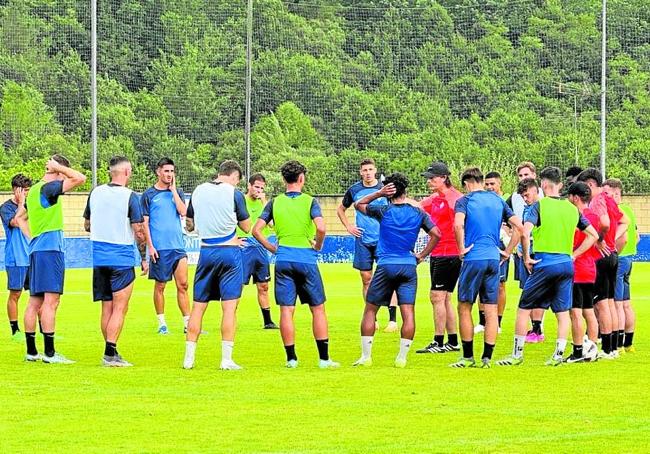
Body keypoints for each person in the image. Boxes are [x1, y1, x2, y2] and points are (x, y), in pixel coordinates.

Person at [497, 167, 598, 367]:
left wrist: (526, 257)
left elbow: (525, 233)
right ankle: (558, 355)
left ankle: (516, 355)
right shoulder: (572, 208)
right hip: (566, 265)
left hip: (545, 263)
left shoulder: (539, 206)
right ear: (559, 184)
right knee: (562, 312)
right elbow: (593, 235)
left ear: (543, 184)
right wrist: (573, 255)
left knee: (524, 308)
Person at [253, 160, 339, 369]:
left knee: (286, 310)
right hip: (306, 260)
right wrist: (317, 246)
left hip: (283, 260)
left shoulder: (274, 202)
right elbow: (321, 228)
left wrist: (273, 248)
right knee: (317, 309)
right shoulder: (310, 201)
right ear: (301, 178)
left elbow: (256, 230)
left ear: (284, 179)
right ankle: (324, 359)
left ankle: (291, 359)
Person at [353, 173, 441, 368]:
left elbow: (358, 204)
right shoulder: (418, 213)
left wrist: (378, 193)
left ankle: (366, 357)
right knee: (408, 311)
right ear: (406, 190)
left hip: (386, 264)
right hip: (408, 265)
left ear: (388, 191)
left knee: (370, 309)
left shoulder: (383, 210)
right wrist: (421, 256)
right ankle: (401, 358)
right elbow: (436, 234)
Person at [449, 167, 522, 369]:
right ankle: (487, 358)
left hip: (473, 258)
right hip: (493, 258)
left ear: (466, 183)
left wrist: (461, 248)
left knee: (464, 306)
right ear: (482, 181)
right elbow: (520, 227)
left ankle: (467, 357)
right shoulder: (497, 200)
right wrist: (507, 251)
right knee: (490, 310)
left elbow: (457, 225)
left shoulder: (464, 201)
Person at [183, 160, 250, 370]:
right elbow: (246, 227)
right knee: (229, 308)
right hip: (229, 253)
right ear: (233, 176)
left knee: (198, 306)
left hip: (206, 251)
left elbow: (189, 224)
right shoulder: (234, 193)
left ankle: (189, 359)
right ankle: (226, 359)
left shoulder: (198, 190)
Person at [83, 156, 148, 366]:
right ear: (127, 172)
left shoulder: (95, 192)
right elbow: (139, 231)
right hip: (120, 258)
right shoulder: (130, 197)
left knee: (106, 308)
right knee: (120, 308)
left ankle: (110, 349)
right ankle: (110, 354)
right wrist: (144, 256)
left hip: (99, 258)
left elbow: (87, 225)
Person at [23, 155, 86, 363]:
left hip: (36, 250)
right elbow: (80, 178)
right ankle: (50, 353)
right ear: (57, 171)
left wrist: (32, 237)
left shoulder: (32, 191)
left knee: (34, 302)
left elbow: (19, 218)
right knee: (51, 301)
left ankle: (32, 351)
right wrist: (60, 168)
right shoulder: (48, 189)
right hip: (50, 250)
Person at [337, 158, 398, 333]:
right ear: (360, 172)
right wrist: (349, 226)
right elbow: (341, 209)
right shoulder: (354, 190)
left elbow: (396, 208)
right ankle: (373, 318)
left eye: (370, 169)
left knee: (389, 277)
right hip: (363, 240)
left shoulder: (385, 189)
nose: (368, 173)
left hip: (384, 240)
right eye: (364, 170)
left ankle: (392, 319)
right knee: (366, 278)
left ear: (376, 171)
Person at [577, 168, 628, 358]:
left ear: (591, 184)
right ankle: (613, 348)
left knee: (601, 305)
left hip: (601, 256)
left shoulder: (598, 200)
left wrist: (600, 239)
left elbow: (605, 223)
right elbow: (626, 221)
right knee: (610, 302)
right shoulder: (609, 199)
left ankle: (606, 349)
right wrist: (612, 239)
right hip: (613, 254)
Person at [416, 162, 462, 354]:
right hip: (438, 253)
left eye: (432, 177)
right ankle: (452, 341)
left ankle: (438, 342)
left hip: (449, 253)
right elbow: (417, 207)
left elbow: (461, 224)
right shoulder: (435, 198)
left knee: (437, 296)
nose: (429, 181)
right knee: (445, 298)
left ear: (444, 178)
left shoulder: (455, 199)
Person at [141, 157, 190, 335]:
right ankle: (162, 323)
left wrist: (174, 190)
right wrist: (150, 247)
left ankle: (187, 323)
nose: (169, 174)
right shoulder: (148, 195)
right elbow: (144, 224)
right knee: (160, 286)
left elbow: (183, 212)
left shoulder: (178, 192)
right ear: (158, 172)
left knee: (183, 285)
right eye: (166, 171)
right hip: (160, 248)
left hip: (178, 247)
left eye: (172, 171)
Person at [507, 162, 546, 342]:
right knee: (527, 288)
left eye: (526, 175)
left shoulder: (544, 199)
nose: (524, 178)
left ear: (534, 175)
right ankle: (536, 328)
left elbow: (524, 230)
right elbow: (515, 225)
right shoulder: (516, 198)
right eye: (521, 175)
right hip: (523, 248)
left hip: (537, 248)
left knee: (536, 291)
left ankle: (537, 328)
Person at [236, 173, 278, 329]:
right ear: (249, 186)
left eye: (261, 188)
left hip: (260, 248)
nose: (259, 190)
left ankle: (268, 321)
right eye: (256, 187)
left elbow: (273, 225)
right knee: (238, 285)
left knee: (264, 286)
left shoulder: (265, 204)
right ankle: (231, 317)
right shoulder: (240, 201)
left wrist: (264, 202)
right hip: (244, 247)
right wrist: (234, 240)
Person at [565, 182, 601, 363]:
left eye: (569, 197)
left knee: (575, 312)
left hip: (578, 269)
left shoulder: (576, 217)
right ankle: (592, 348)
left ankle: (578, 351)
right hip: (590, 268)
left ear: (575, 198)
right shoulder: (595, 216)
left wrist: (574, 254)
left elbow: (582, 238)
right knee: (589, 311)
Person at [603, 178, 638, 353]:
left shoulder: (616, 211)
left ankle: (617, 344)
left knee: (616, 304)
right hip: (630, 259)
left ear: (617, 193)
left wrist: (612, 252)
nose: (604, 196)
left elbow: (621, 237)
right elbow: (636, 237)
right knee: (626, 303)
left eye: (607, 193)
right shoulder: (629, 211)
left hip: (620, 258)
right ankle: (629, 343)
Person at [476, 171, 509, 334]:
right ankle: (482, 322)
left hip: (501, 245)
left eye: (492, 184)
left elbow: (515, 223)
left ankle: (498, 322)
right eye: (486, 184)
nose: (489, 187)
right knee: (481, 283)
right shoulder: (481, 201)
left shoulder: (505, 201)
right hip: (484, 246)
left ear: (500, 184)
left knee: (500, 285)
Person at [1, 174, 32, 340]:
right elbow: (15, 222)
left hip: (32, 256)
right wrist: (21, 204)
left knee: (38, 295)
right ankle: (15, 330)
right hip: (16, 258)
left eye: (28, 190)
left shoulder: (32, 205)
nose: (27, 194)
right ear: (15, 190)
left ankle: (43, 329)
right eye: (24, 191)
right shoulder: (6, 208)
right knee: (15, 294)